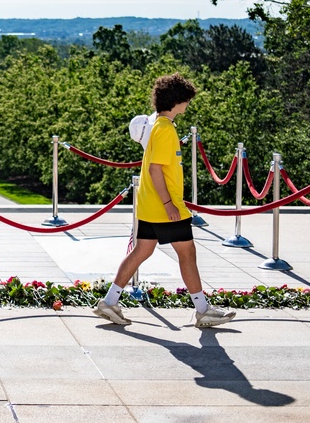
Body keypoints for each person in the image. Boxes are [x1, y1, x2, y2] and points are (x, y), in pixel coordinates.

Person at [94, 73, 235, 328]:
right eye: (186, 100)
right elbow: (155, 170)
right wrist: (170, 204)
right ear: (177, 100)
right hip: (165, 206)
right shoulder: (165, 129)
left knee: (142, 251)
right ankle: (203, 310)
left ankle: (109, 301)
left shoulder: (159, 125)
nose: (188, 104)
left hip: (151, 203)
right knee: (187, 252)